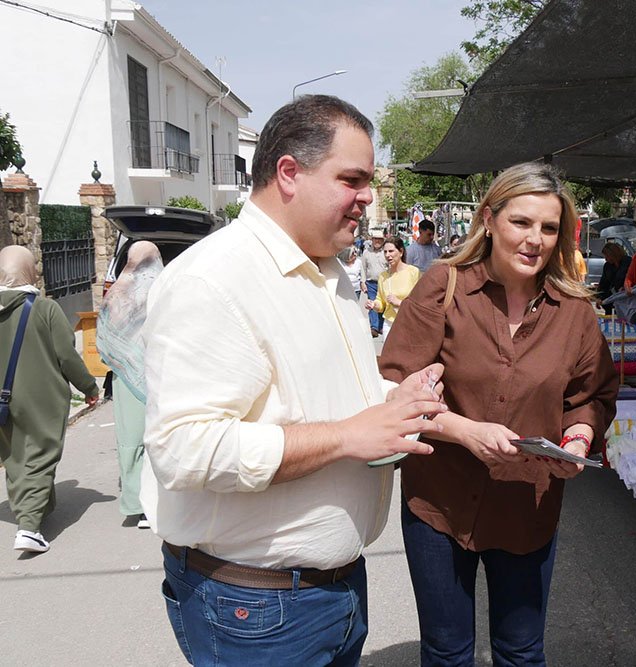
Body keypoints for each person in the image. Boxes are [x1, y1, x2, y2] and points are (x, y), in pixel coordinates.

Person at [140, 95, 448, 666]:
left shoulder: (326, 271)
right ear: (288, 172)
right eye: (352, 179)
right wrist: (349, 437)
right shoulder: (213, 281)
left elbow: (326, 398)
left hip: (325, 591)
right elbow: (184, 449)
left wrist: (392, 403)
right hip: (256, 607)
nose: (367, 198)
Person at [379, 162, 618, 667]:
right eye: (521, 222)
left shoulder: (573, 311)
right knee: (446, 652)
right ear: (489, 219)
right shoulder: (442, 286)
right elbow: (398, 387)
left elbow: (591, 395)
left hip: (526, 507)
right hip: (438, 505)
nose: (535, 239)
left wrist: (576, 440)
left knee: (521, 651)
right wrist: (464, 431)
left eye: (549, 228)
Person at [0, 245, 99, 553]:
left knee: (16, 456)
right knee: (40, 456)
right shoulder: (43, 309)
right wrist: (89, 387)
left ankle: (36, 510)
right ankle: (29, 528)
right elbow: (66, 355)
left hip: (2, 401)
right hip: (40, 396)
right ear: (30, 270)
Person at [96, 240, 163, 529]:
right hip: (160, 375)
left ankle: (136, 502)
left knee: (131, 440)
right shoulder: (166, 289)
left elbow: (104, 339)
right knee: (156, 438)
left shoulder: (116, 295)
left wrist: (123, 361)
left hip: (126, 379)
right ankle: (154, 502)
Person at [365, 236, 420, 338]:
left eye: (391, 251)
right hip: (389, 323)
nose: (388, 255)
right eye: (385, 252)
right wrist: (373, 304)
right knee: (389, 353)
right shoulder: (383, 276)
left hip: (409, 322)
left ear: (401, 252)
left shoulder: (413, 272)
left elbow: (420, 301)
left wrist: (399, 302)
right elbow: (380, 302)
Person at [362, 228, 388, 336]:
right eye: (375, 239)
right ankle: (374, 327)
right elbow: (363, 268)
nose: (377, 241)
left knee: (383, 304)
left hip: (384, 283)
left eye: (379, 239)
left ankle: (381, 326)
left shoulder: (386, 252)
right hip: (371, 283)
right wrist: (362, 282)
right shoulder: (366, 252)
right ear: (372, 240)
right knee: (372, 304)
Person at [596, 241, 629, 314]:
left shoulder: (627, 262)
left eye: (607, 256)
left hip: (626, 298)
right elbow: (603, 283)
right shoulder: (607, 266)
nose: (606, 259)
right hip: (611, 299)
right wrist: (599, 297)